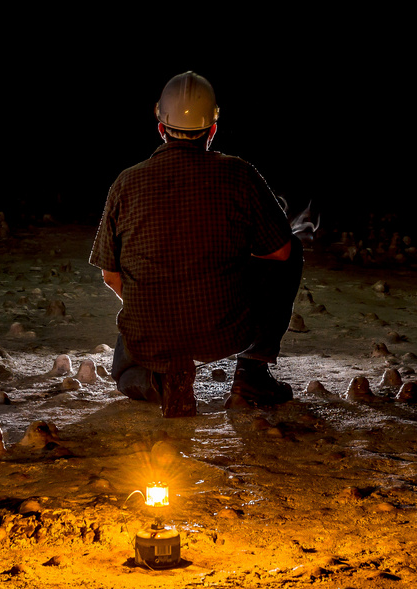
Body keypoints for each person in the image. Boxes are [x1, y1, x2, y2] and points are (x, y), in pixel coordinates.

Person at [89, 71, 302, 417]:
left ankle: (160, 382)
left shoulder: (125, 183)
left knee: (127, 373)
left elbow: (110, 276)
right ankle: (252, 374)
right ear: (212, 130)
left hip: (150, 336)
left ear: (160, 127)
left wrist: (158, 302)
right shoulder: (239, 174)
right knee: (290, 250)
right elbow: (279, 253)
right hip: (224, 331)